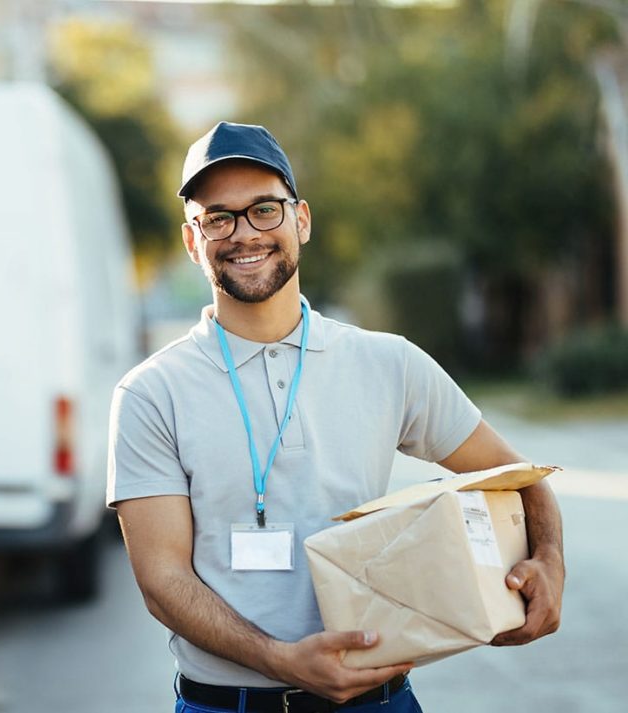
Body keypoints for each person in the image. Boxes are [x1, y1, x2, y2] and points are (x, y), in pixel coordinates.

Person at [106, 121, 564, 713]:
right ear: (194, 242)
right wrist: (279, 659)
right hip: (228, 704)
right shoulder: (150, 393)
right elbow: (162, 581)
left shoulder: (388, 362)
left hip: (378, 701)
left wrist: (549, 560)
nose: (244, 233)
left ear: (301, 220)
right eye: (217, 217)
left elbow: (516, 474)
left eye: (264, 210)